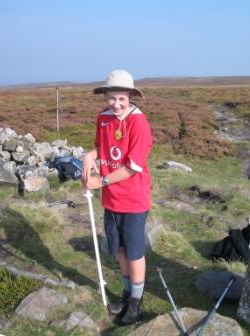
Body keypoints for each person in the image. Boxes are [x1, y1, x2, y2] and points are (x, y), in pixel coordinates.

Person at [82, 69, 153, 325]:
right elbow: (100, 148)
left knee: (134, 252)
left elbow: (133, 166)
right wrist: (89, 157)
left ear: (131, 96)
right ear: (106, 97)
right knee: (119, 248)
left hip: (133, 198)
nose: (116, 104)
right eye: (112, 98)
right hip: (111, 198)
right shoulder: (103, 118)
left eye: (122, 98)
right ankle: (127, 294)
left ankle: (136, 302)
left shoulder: (139, 123)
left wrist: (100, 180)